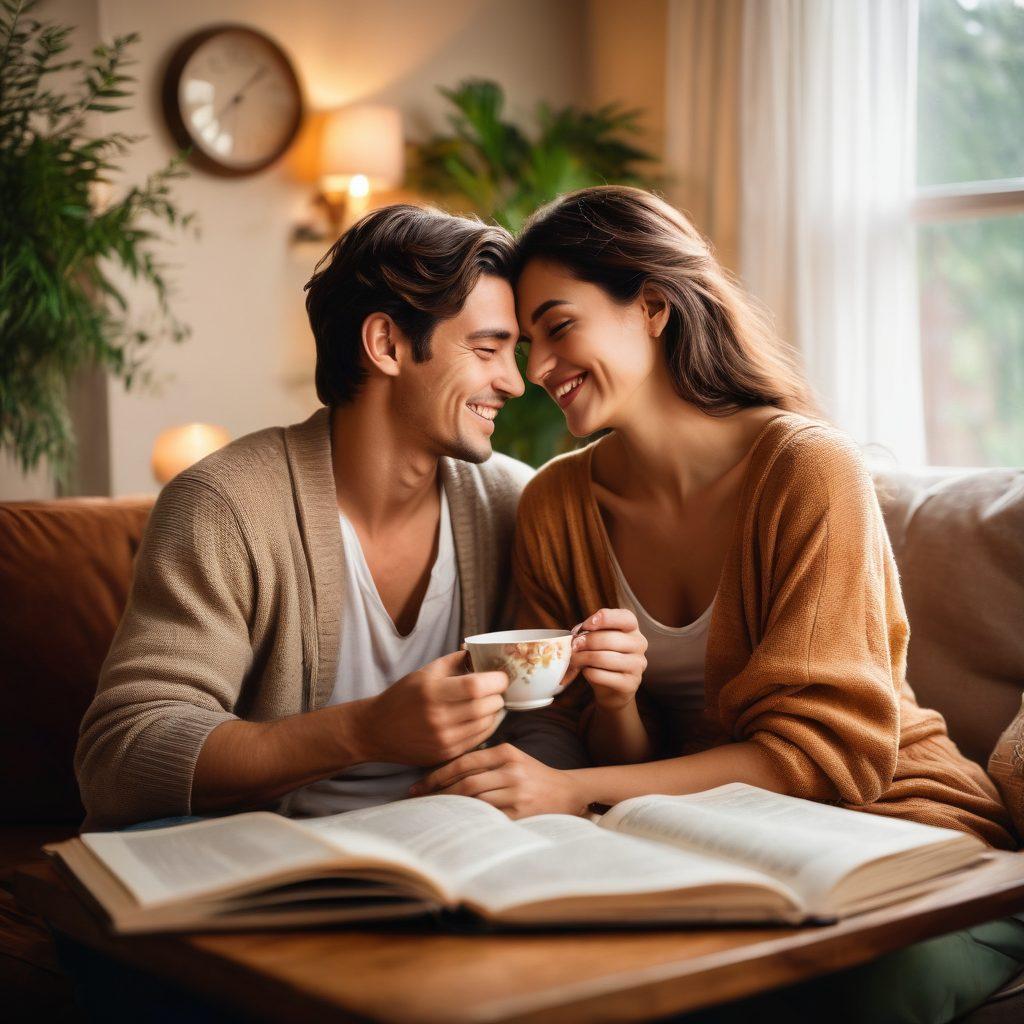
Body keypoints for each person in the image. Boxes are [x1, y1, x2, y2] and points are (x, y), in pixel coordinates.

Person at [411, 186, 1023, 1022]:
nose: (536, 370)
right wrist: (616, 707)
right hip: (708, 847)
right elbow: (597, 732)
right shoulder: (557, 504)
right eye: (523, 344)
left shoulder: (807, 471)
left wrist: (574, 791)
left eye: (558, 328)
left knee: (854, 987)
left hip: (898, 831)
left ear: (653, 306)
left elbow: (824, 757)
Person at [74, 204, 582, 832]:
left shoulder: (511, 500)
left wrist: (519, 789)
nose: (514, 380)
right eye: (486, 349)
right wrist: (366, 730)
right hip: (273, 862)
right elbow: (123, 754)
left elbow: (547, 724)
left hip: (460, 854)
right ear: (387, 344)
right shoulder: (225, 506)